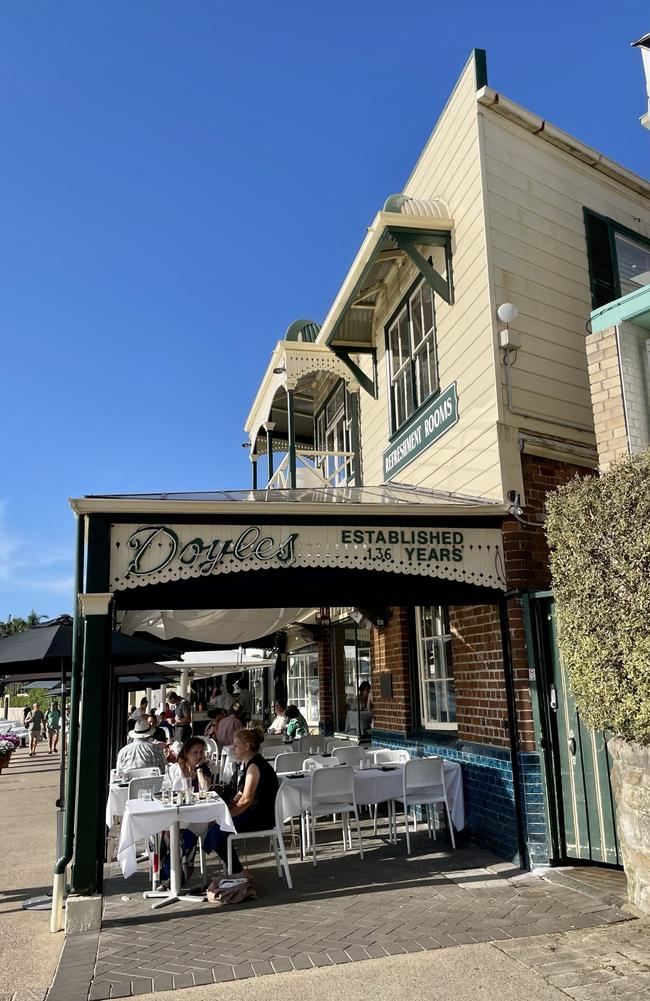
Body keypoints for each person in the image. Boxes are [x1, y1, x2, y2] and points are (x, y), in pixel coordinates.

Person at [204, 726, 279, 875]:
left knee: (218, 831)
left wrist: (226, 817)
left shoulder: (254, 767)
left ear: (246, 746)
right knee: (217, 828)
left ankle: (238, 872)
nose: (233, 747)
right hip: (254, 813)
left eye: (237, 744)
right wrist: (224, 812)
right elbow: (239, 794)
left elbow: (246, 800)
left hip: (261, 817)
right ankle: (235, 871)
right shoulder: (249, 764)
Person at [161, 738, 211, 882]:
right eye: (195, 752)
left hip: (197, 816)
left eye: (201, 752)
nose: (198, 755)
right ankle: (179, 874)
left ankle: (168, 876)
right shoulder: (175, 769)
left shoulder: (203, 769)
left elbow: (205, 790)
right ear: (186, 753)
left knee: (188, 835)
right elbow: (170, 792)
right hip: (177, 815)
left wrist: (200, 769)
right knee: (175, 835)